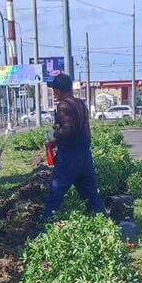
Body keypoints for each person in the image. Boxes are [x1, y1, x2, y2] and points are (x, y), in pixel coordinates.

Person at [42, 73, 106, 222]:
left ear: (58, 90)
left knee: (55, 194)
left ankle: (45, 227)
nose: (53, 93)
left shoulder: (63, 105)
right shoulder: (80, 104)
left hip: (69, 159)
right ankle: (105, 223)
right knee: (91, 196)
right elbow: (85, 132)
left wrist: (54, 135)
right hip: (84, 156)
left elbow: (68, 129)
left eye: (54, 90)